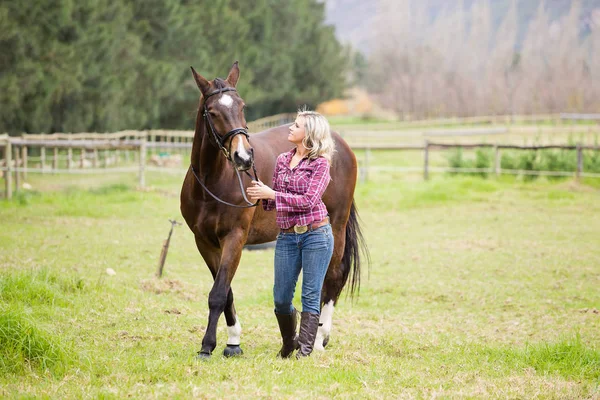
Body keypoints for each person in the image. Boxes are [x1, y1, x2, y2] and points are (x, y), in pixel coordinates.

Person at [246, 109, 335, 358]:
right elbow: (273, 201)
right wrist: (260, 193)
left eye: (296, 126)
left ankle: (304, 350)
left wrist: (272, 195)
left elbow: (308, 201)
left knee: (310, 293)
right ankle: (289, 341)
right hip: (286, 236)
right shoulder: (283, 159)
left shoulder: (320, 164)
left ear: (310, 134)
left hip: (316, 234)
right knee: (281, 297)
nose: (290, 128)